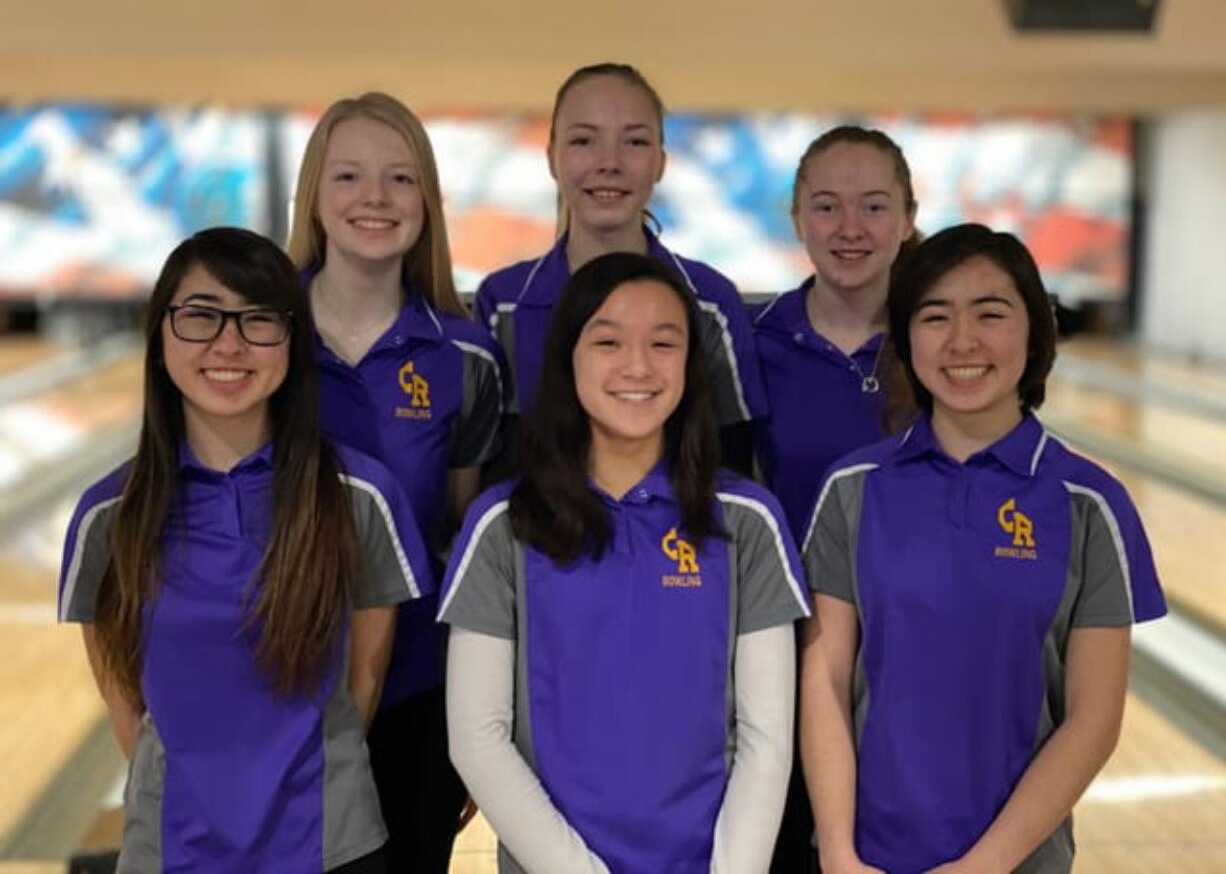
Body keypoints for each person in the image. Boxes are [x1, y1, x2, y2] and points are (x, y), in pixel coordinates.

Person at [59, 228, 431, 873]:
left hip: (332, 846)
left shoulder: (361, 495)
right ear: (159, 334)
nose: (228, 344)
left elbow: (363, 682)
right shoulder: (108, 515)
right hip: (169, 849)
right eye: (200, 316)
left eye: (258, 319)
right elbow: (123, 691)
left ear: (290, 341)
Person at [800, 223, 1166, 873]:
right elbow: (824, 680)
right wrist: (836, 851)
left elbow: (1093, 720)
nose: (962, 341)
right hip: (865, 860)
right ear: (907, 339)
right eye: (935, 316)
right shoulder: (853, 489)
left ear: (1034, 331)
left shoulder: (1090, 505)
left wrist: (983, 866)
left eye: (990, 313)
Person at [442, 253, 810, 873]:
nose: (637, 366)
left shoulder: (748, 519)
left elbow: (766, 739)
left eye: (663, 343)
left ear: (692, 366)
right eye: (608, 341)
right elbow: (478, 738)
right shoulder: (503, 524)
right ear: (569, 359)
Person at [286, 91, 505, 872]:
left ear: (427, 203)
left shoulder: (467, 357)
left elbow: (458, 537)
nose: (374, 198)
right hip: (272, 688)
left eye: (400, 179)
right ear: (312, 195)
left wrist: (477, 717)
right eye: (348, 177)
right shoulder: (259, 343)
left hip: (416, 688)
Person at [752, 126, 918, 872]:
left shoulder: (944, 347)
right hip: (785, 666)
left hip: (915, 665)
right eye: (826, 206)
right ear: (797, 219)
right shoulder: (754, 344)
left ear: (909, 217)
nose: (849, 229)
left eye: (874, 206)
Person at [473, 62, 765, 474]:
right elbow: (488, 467)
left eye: (635, 142)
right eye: (583, 141)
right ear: (552, 158)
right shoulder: (502, 303)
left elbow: (733, 464)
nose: (609, 162)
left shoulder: (711, 302)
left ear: (661, 163)